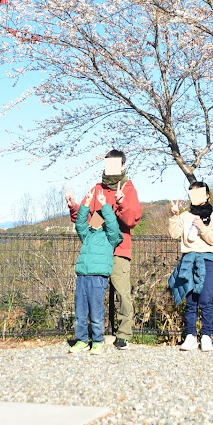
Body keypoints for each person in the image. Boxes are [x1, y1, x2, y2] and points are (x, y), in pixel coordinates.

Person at [66, 149, 142, 350]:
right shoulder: (96, 188)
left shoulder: (128, 188)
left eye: (115, 164)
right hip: (98, 250)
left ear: (123, 165)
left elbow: (131, 220)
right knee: (90, 296)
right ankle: (89, 337)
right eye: (108, 164)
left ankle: (123, 335)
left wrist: (121, 201)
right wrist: (74, 206)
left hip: (119, 248)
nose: (111, 168)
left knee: (122, 294)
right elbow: (83, 218)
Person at [168, 181, 213, 352]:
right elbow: (174, 234)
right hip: (188, 260)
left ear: (207, 195)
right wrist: (174, 215)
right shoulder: (185, 216)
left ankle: (207, 335)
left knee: (206, 299)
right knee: (191, 300)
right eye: (192, 193)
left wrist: (202, 228)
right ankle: (191, 336)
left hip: (208, 260)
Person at [69, 187, 123, 354]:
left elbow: (114, 225)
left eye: (98, 217)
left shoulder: (110, 236)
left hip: (98, 277)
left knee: (96, 310)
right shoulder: (88, 235)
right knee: (80, 310)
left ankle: (98, 341)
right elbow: (79, 224)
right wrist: (85, 204)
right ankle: (82, 340)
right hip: (82, 276)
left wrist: (105, 205)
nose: (95, 219)